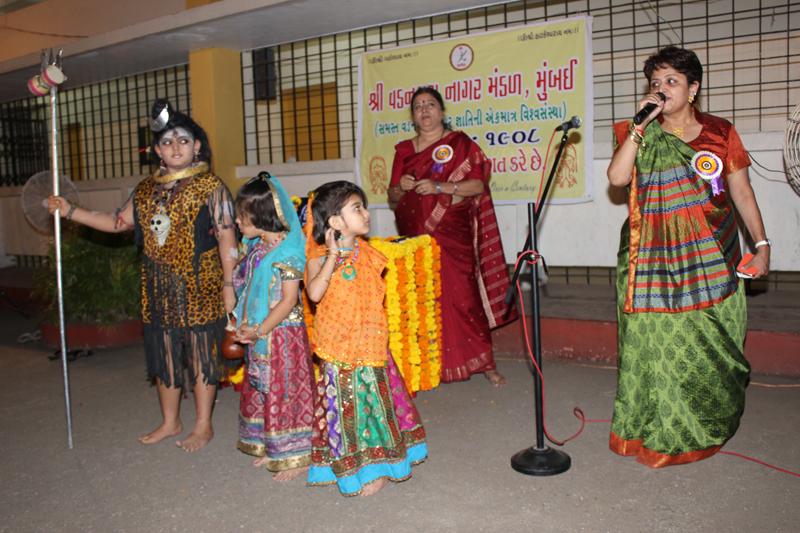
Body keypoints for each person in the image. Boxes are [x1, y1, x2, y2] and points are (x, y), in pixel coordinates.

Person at [606, 46, 770, 467]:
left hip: (710, 258)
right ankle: (655, 429)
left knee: (708, 346)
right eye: (655, 83)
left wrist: (762, 245)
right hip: (650, 262)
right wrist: (640, 127)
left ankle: (705, 425)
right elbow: (618, 178)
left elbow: (741, 192)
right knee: (654, 347)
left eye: (671, 82)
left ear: (693, 88)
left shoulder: (720, 132)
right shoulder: (637, 130)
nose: (661, 89)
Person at [48, 99, 237, 452]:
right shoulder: (146, 189)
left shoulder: (211, 187)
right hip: (158, 285)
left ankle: (203, 424)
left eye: (183, 140)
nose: (176, 147)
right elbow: (115, 223)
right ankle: (170, 421)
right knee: (164, 353)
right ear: (157, 151)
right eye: (167, 142)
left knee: (200, 354)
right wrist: (71, 211)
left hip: (201, 282)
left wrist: (230, 284)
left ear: (197, 146)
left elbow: (227, 237)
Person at [304, 181, 427, 497]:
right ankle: (350, 466)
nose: (366, 213)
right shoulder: (318, 257)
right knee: (344, 412)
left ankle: (378, 467)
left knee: (372, 408)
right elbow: (315, 294)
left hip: (369, 344)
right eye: (357, 208)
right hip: (337, 348)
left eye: (364, 207)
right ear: (335, 221)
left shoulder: (369, 254)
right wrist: (333, 257)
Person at [387, 86, 515, 386]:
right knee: (423, 300)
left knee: (464, 299)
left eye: (430, 104)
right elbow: (393, 197)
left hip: (453, 236)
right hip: (416, 240)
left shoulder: (459, 144)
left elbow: (478, 186)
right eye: (418, 106)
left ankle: (484, 362)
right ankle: (426, 365)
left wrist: (440, 187)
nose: (424, 110)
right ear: (413, 116)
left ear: (442, 111)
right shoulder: (404, 151)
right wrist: (401, 187)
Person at [231, 172, 315, 481]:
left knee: (286, 391)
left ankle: (298, 455)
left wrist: (260, 330)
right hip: (261, 330)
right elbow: (249, 291)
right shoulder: (257, 248)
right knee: (265, 387)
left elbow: (288, 300)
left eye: (242, 216)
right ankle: (273, 444)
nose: (237, 222)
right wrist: (244, 325)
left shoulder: (287, 252)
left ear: (261, 216)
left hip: (282, 334)